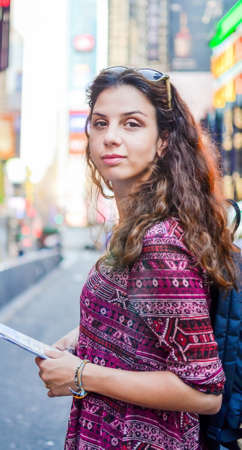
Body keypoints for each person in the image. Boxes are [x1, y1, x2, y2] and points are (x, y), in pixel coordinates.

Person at [35, 67, 238, 449]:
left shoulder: (159, 243)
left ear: (163, 142)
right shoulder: (138, 230)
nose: (111, 137)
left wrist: (81, 374)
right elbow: (155, 323)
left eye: (132, 124)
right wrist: (88, 336)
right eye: (100, 123)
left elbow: (203, 391)